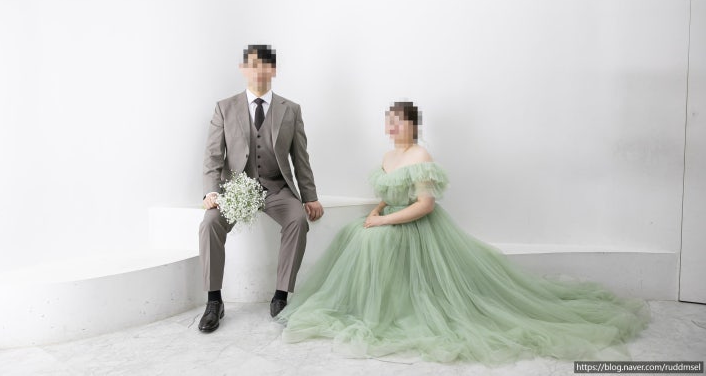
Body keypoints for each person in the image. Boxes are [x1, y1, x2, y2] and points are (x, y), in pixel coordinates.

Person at [276, 101, 650, 363]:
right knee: (355, 235)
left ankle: (396, 309)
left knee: (377, 239)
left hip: (416, 226)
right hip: (391, 217)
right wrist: (376, 211)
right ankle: (366, 307)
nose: (392, 127)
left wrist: (385, 221)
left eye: (398, 121)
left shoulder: (420, 156)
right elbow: (389, 194)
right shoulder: (389, 157)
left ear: (412, 125)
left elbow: (425, 205)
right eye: (388, 121)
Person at [199, 45, 324, 333]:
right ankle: (214, 301)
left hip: (277, 189)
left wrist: (310, 196)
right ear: (243, 69)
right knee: (209, 224)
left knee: (297, 220)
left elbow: (300, 158)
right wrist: (211, 192)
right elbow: (213, 156)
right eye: (253, 65)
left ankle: (281, 296)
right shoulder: (224, 107)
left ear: (273, 70)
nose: (259, 71)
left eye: (265, 65)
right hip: (235, 191)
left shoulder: (291, 109)